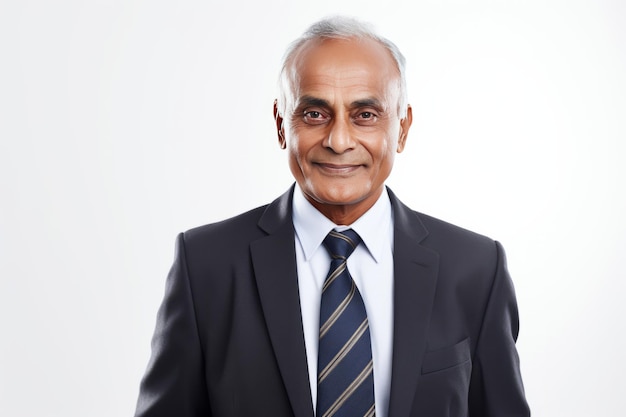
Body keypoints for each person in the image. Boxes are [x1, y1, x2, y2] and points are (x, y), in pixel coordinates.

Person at [134, 16, 530, 417]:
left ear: (403, 128)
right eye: (314, 114)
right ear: (280, 125)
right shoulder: (206, 265)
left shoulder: (477, 270)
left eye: (365, 115)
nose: (339, 141)